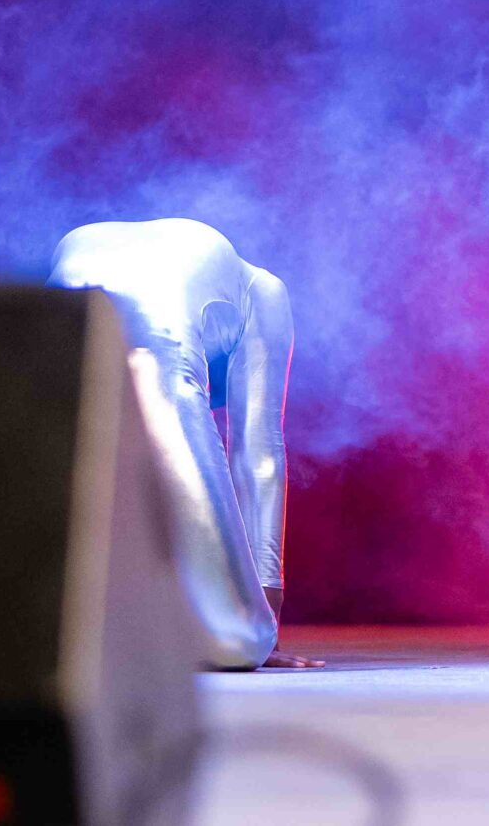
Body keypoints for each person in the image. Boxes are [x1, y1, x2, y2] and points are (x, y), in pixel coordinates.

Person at [50, 218, 315, 670]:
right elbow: (258, 460)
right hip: (157, 328)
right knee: (238, 640)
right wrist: (266, 620)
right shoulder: (266, 293)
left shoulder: (219, 287)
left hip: (69, 273)